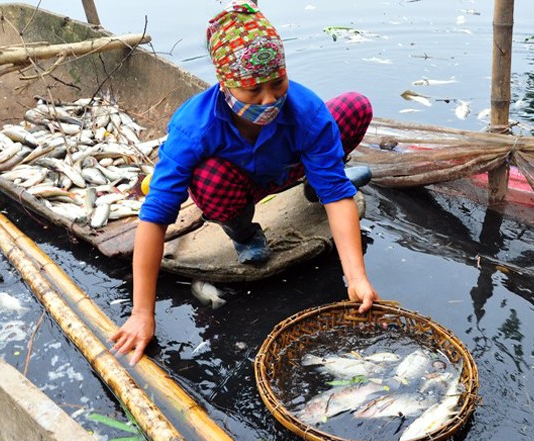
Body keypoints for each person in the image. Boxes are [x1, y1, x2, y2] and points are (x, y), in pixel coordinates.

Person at [110, 0, 379, 365]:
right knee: (207, 178)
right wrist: (143, 312)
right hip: (239, 186)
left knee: (352, 108)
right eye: (253, 90)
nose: (269, 100)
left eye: (277, 83)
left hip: (290, 166)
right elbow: (155, 216)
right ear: (225, 83)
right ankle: (243, 233)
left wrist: (356, 277)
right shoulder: (194, 126)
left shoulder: (305, 110)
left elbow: (339, 196)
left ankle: (312, 184)